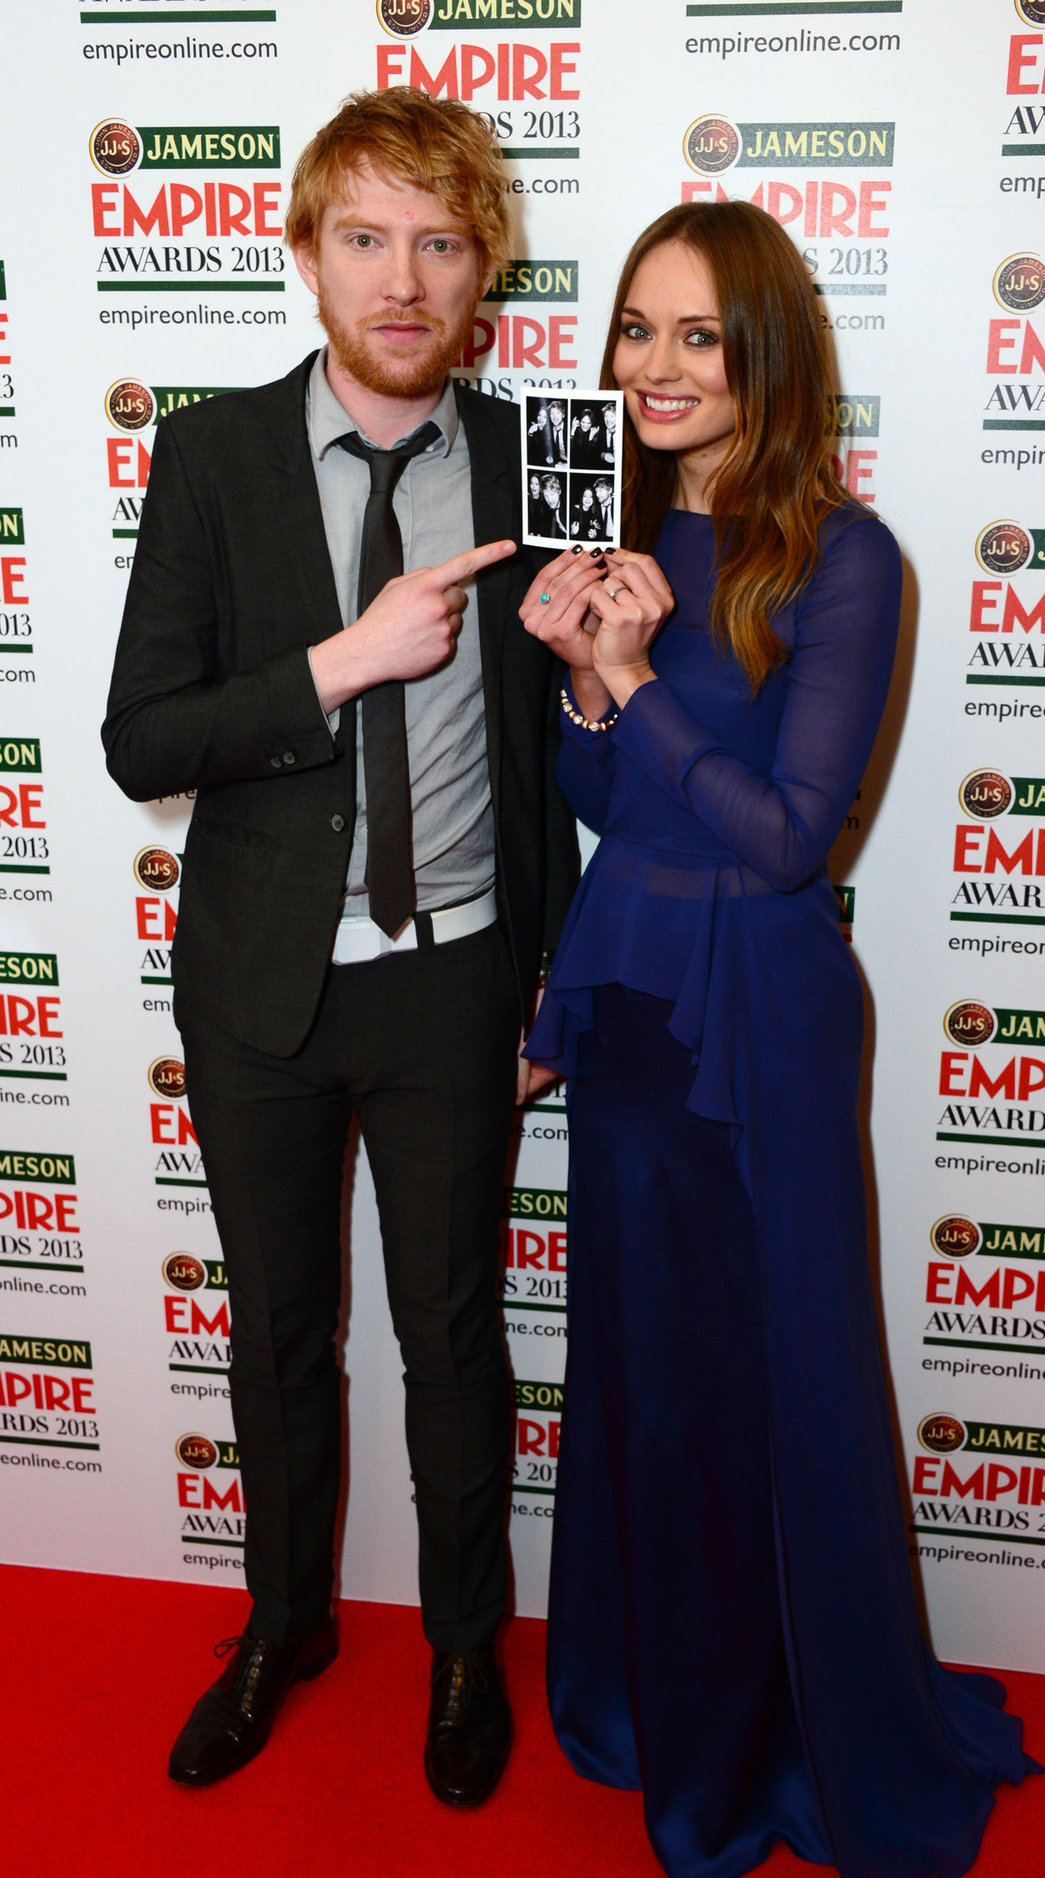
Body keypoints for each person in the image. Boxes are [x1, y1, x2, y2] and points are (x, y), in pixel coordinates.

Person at [520, 201, 1037, 1878]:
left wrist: (637, 676)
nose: (655, 369)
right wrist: (591, 691)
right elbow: (606, 805)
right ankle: (652, 1687)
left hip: (764, 1017)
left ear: (767, 355)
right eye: (636, 331)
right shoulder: (610, 535)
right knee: (652, 1384)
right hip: (636, 1015)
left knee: (767, 1378)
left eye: (699, 337)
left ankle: (782, 1734)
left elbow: (790, 836)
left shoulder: (843, 556)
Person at [102, 88, 578, 1806]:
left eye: (440, 243)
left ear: (482, 273)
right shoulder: (215, 455)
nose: (402, 279)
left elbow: (567, 759)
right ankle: (282, 1624)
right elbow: (141, 737)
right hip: (260, 987)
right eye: (365, 236)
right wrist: (340, 659)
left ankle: (464, 1645)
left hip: (461, 974)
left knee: (456, 1332)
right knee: (275, 1327)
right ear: (306, 253)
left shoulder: (545, 455)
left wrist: (606, 663)